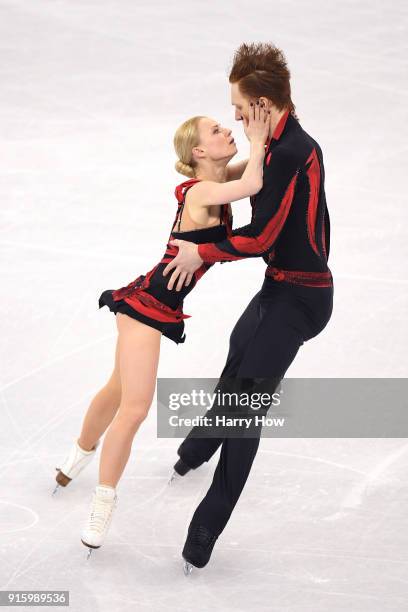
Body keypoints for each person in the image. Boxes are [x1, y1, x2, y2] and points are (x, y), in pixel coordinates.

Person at [52, 105, 272, 557]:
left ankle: (77, 455)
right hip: (146, 306)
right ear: (197, 149)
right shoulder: (201, 190)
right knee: (134, 408)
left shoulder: (214, 178)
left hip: (156, 304)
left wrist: (259, 143)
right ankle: (103, 499)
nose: (225, 130)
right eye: (216, 130)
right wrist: (259, 134)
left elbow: (251, 169)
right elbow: (252, 182)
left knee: (115, 391)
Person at [163, 42, 334, 573]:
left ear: (262, 102)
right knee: (235, 366)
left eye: (239, 105)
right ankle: (195, 450)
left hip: (302, 297)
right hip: (278, 288)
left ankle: (206, 525)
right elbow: (233, 184)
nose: (234, 115)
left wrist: (201, 251)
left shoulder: (291, 151)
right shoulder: (274, 145)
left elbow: (260, 237)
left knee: (245, 404)